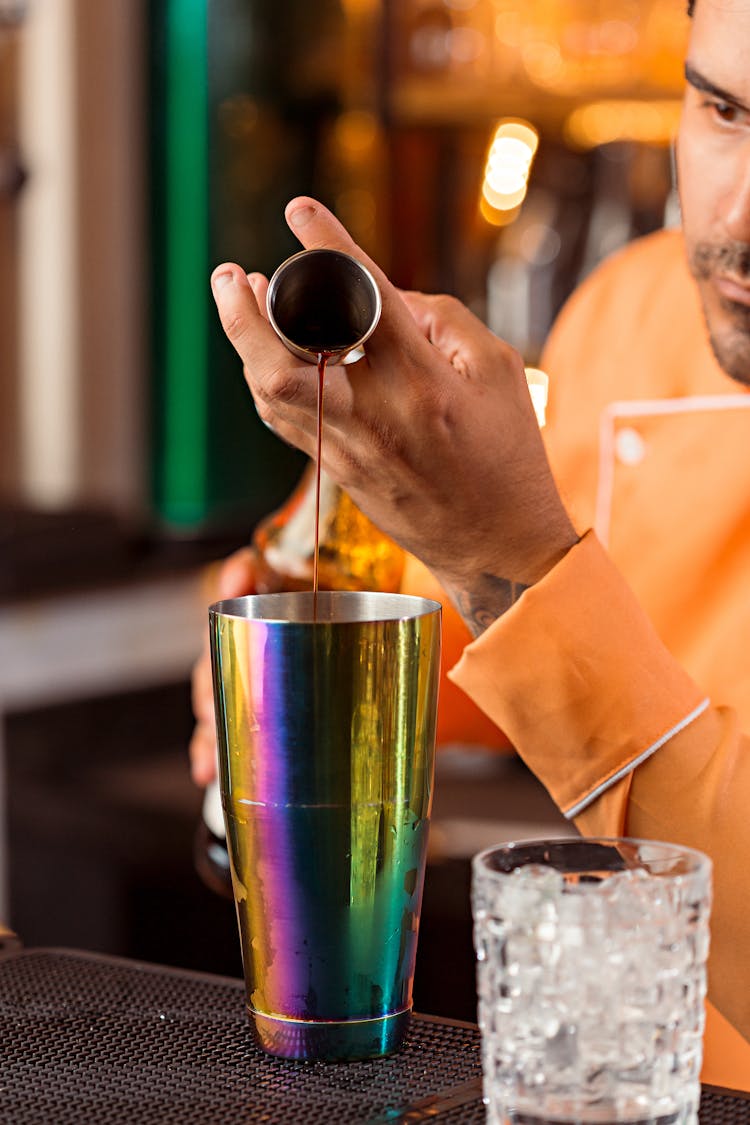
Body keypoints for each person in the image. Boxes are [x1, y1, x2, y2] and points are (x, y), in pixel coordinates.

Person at [195, 0, 750, 1087]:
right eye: (726, 109)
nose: (740, 213)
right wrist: (288, 672)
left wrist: (512, 566)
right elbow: (474, 654)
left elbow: (539, 599)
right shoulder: (634, 312)